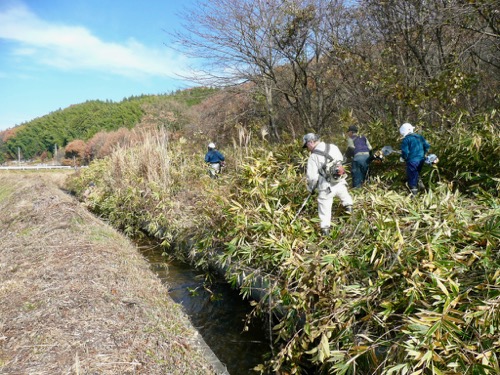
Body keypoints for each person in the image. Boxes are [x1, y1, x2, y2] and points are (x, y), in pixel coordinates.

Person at [302, 133, 353, 236]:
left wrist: (311, 189)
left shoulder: (313, 157)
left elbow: (312, 177)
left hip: (326, 186)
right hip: (340, 180)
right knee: (344, 195)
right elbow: (341, 160)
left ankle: (325, 231)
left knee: (324, 206)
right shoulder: (333, 147)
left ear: (311, 142)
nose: (307, 149)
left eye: (307, 146)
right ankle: (349, 210)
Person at [399, 123, 430, 195]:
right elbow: (427, 146)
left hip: (412, 161)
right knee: (416, 173)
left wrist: (403, 158)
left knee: (412, 176)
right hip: (421, 160)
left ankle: (414, 195)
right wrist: (423, 153)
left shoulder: (406, 140)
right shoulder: (419, 137)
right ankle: (421, 189)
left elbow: (405, 152)